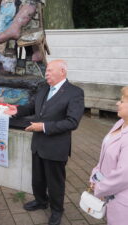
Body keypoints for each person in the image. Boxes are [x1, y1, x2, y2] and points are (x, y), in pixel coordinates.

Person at [5, 59, 84, 225]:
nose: (46, 73)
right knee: (38, 178)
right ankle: (41, 201)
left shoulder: (74, 92)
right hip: (38, 144)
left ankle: (57, 210)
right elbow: (32, 107)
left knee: (55, 183)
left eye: (50, 70)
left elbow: (72, 122)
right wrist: (16, 110)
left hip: (56, 147)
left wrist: (44, 126)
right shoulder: (43, 88)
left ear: (62, 71)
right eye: (46, 70)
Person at [89, 86, 128, 225]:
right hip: (110, 193)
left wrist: (100, 188)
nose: (118, 103)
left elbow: (124, 175)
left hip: (122, 203)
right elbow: (105, 154)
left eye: (122, 101)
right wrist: (95, 175)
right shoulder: (120, 123)